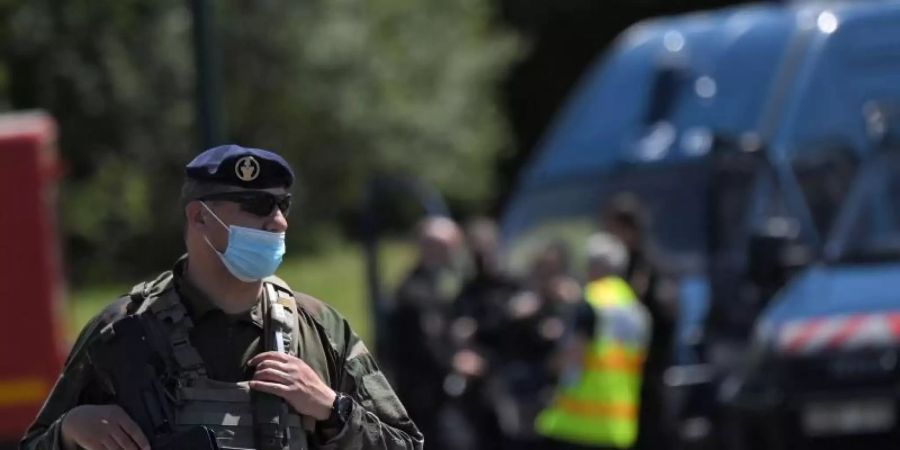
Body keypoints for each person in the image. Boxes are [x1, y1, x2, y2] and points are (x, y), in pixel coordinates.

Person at [21, 144, 423, 450]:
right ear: (199, 218)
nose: (278, 220)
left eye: (282, 204)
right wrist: (70, 432)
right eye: (257, 205)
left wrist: (331, 409)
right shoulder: (122, 330)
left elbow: (406, 443)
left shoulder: (319, 329)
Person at [536, 232, 651, 450]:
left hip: (577, 425)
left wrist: (551, 369)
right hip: (618, 426)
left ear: (593, 266)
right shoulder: (636, 311)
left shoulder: (591, 301)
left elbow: (573, 358)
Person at [600, 193, 675, 450]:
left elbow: (663, 319)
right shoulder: (617, 268)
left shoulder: (648, 269)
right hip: (620, 375)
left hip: (646, 374)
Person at [384, 215, 465, 450]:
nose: (452, 254)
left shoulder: (434, 285)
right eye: (448, 248)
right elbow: (426, 346)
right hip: (424, 398)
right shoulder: (415, 292)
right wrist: (456, 362)